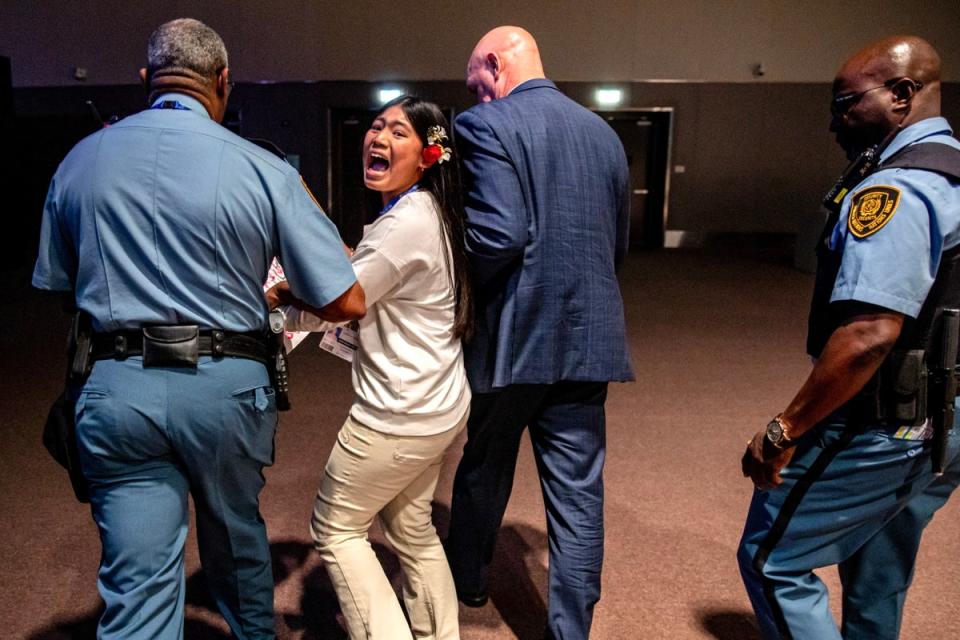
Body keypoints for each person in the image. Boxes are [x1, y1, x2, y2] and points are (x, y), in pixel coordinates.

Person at [32, 18, 364, 640]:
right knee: (238, 544)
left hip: (116, 390)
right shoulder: (262, 168)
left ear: (145, 81)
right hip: (228, 390)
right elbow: (346, 300)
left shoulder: (80, 161)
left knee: (137, 587)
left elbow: (60, 287)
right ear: (223, 81)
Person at [738, 35, 960, 640]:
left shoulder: (898, 189)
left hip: (885, 421)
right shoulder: (953, 172)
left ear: (902, 94)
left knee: (771, 559)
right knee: (879, 561)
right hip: (946, 417)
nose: (835, 120)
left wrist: (786, 429)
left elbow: (867, 334)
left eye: (846, 103)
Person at [443, 26, 633, 639]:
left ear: (494, 65)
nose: (477, 100)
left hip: (512, 340)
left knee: (485, 465)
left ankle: (468, 581)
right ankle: (571, 631)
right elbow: (616, 246)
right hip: (588, 338)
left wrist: (446, 266)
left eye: (477, 86)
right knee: (579, 496)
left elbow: (498, 237)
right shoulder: (604, 134)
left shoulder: (483, 127)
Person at [270, 96, 472, 640]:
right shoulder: (429, 211)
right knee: (412, 527)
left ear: (430, 154)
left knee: (337, 529)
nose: (378, 137)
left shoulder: (405, 221)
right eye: (376, 126)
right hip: (438, 403)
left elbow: (347, 302)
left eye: (398, 132)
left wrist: (280, 292)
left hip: (396, 415)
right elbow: (364, 272)